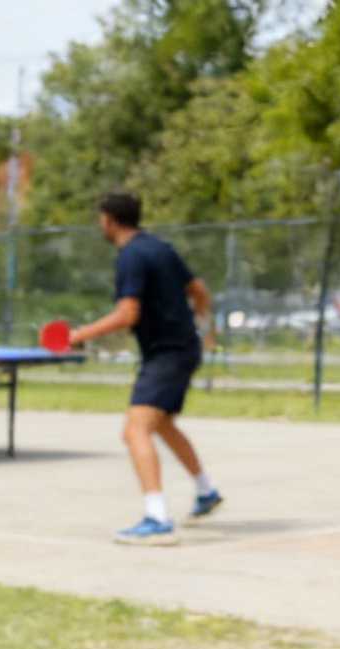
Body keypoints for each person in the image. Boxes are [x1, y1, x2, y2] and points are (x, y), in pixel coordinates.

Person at [66, 191, 222, 546]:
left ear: (108, 219)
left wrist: (81, 334)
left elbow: (127, 315)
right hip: (179, 349)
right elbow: (200, 291)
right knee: (162, 424)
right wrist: (198, 326)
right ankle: (206, 491)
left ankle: (157, 519)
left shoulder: (131, 256)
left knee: (135, 430)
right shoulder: (160, 247)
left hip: (168, 354)